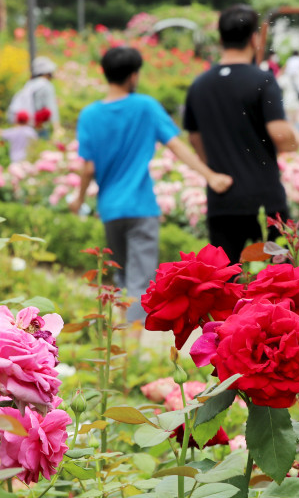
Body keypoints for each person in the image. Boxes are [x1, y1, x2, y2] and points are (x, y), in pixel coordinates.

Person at [70, 46, 233, 323]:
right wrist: (210, 175)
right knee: (140, 281)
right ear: (133, 76)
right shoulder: (145, 106)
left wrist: (79, 199)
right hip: (141, 208)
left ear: (105, 73)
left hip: (110, 209)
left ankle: (118, 343)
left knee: (122, 276)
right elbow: (176, 146)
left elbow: (88, 167)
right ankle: (131, 351)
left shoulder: (89, 115)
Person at [183, 4, 299, 263]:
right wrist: (296, 139)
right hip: (265, 200)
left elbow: (194, 137)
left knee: (226, 284)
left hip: (222, 201)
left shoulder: (199, 85)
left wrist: (214, 167)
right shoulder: (262, 81)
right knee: (280, 281)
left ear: (221, 38)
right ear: (254, 38)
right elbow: (280, 134)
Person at [8, 56, 62, 140]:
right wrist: (57, 128)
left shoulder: (30, 84)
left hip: (25, 123)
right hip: (37, 125)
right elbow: (51, 107)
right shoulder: (46, 85)